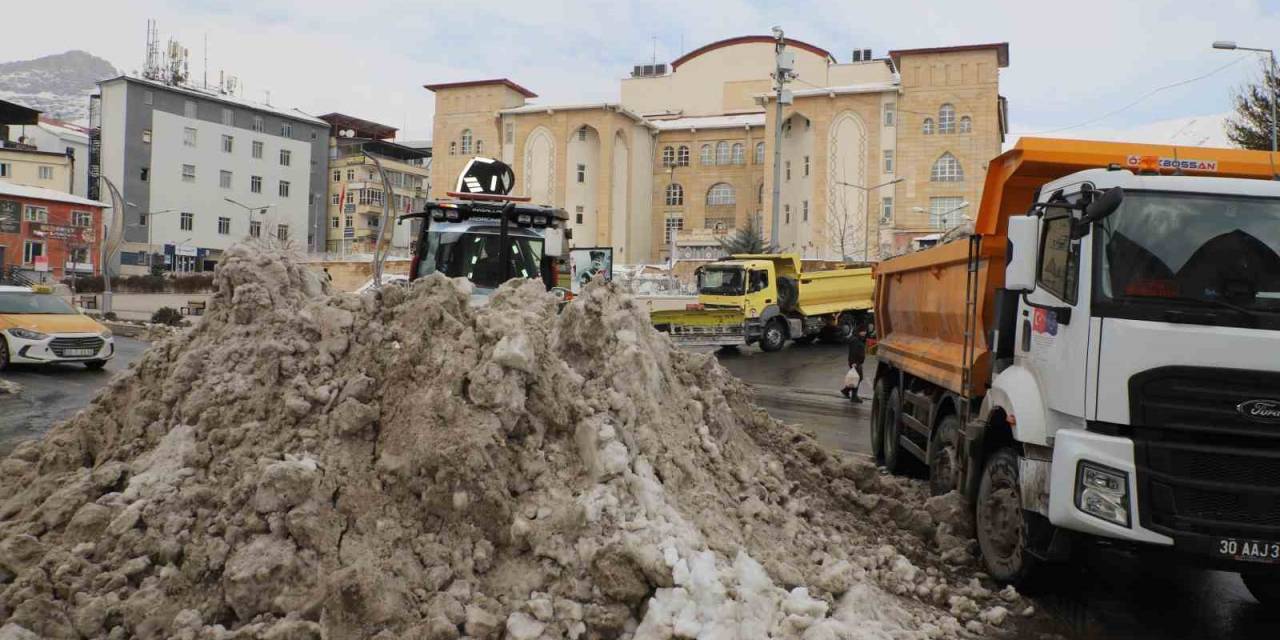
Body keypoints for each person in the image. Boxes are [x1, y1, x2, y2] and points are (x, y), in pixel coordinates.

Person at [842, 319, 868, 403]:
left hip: (858, 362)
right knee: (857, 378)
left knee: (856, 378)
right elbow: (853, 352)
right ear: (859, 332)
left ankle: (846, 391)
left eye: (865, 331)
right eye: (862, 331)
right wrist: (854, 363)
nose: (864, 333)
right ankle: (853, 396)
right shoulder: (855, 340)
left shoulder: (859, 339)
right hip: (855, 363)